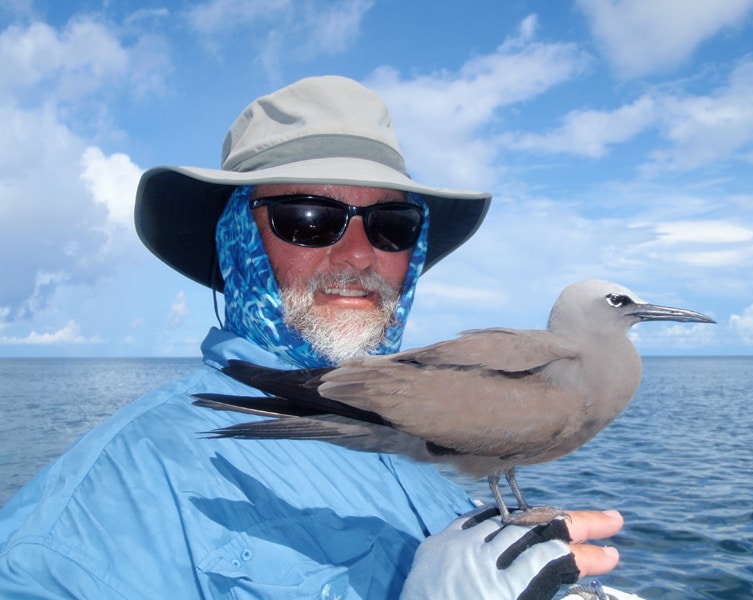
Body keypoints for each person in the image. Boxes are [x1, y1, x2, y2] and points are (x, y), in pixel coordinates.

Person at [0, 76, 624, 599]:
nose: (358, 256)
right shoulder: (73, 532)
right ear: (236, 243)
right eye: (308, 218)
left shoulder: (428, 421)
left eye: (392, 224)